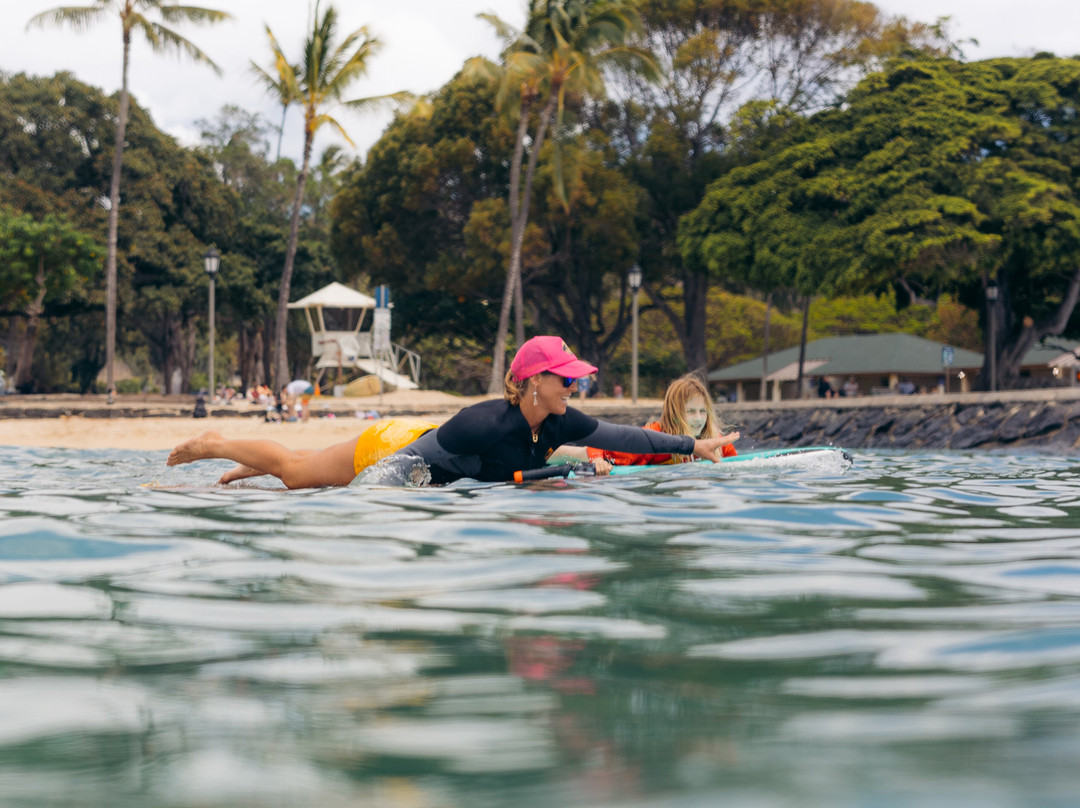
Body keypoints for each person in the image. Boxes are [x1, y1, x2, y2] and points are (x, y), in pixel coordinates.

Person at [383, 336, 739, 485]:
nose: (574, 387)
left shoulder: (561, 423)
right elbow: (398, 462)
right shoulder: (481, 422)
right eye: (567, 378)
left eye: (576, 379)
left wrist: (693, 446)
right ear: (536, 379)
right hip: (389, 444)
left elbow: (627, 437)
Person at [166, 417, 437, 489]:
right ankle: (215, 444)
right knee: (294, 472)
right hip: (393, 445)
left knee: (314, 466)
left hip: (410, 433)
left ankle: (258, 462)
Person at [555, 374, 738, 468]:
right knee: (577, 453)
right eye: (690, 412)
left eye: (702, 412)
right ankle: (548, 450)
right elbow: (607, 448)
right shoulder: (656, 438)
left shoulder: (717, 442)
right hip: (585, 451)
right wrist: (596, 459)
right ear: (674, 414)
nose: (698, 419)